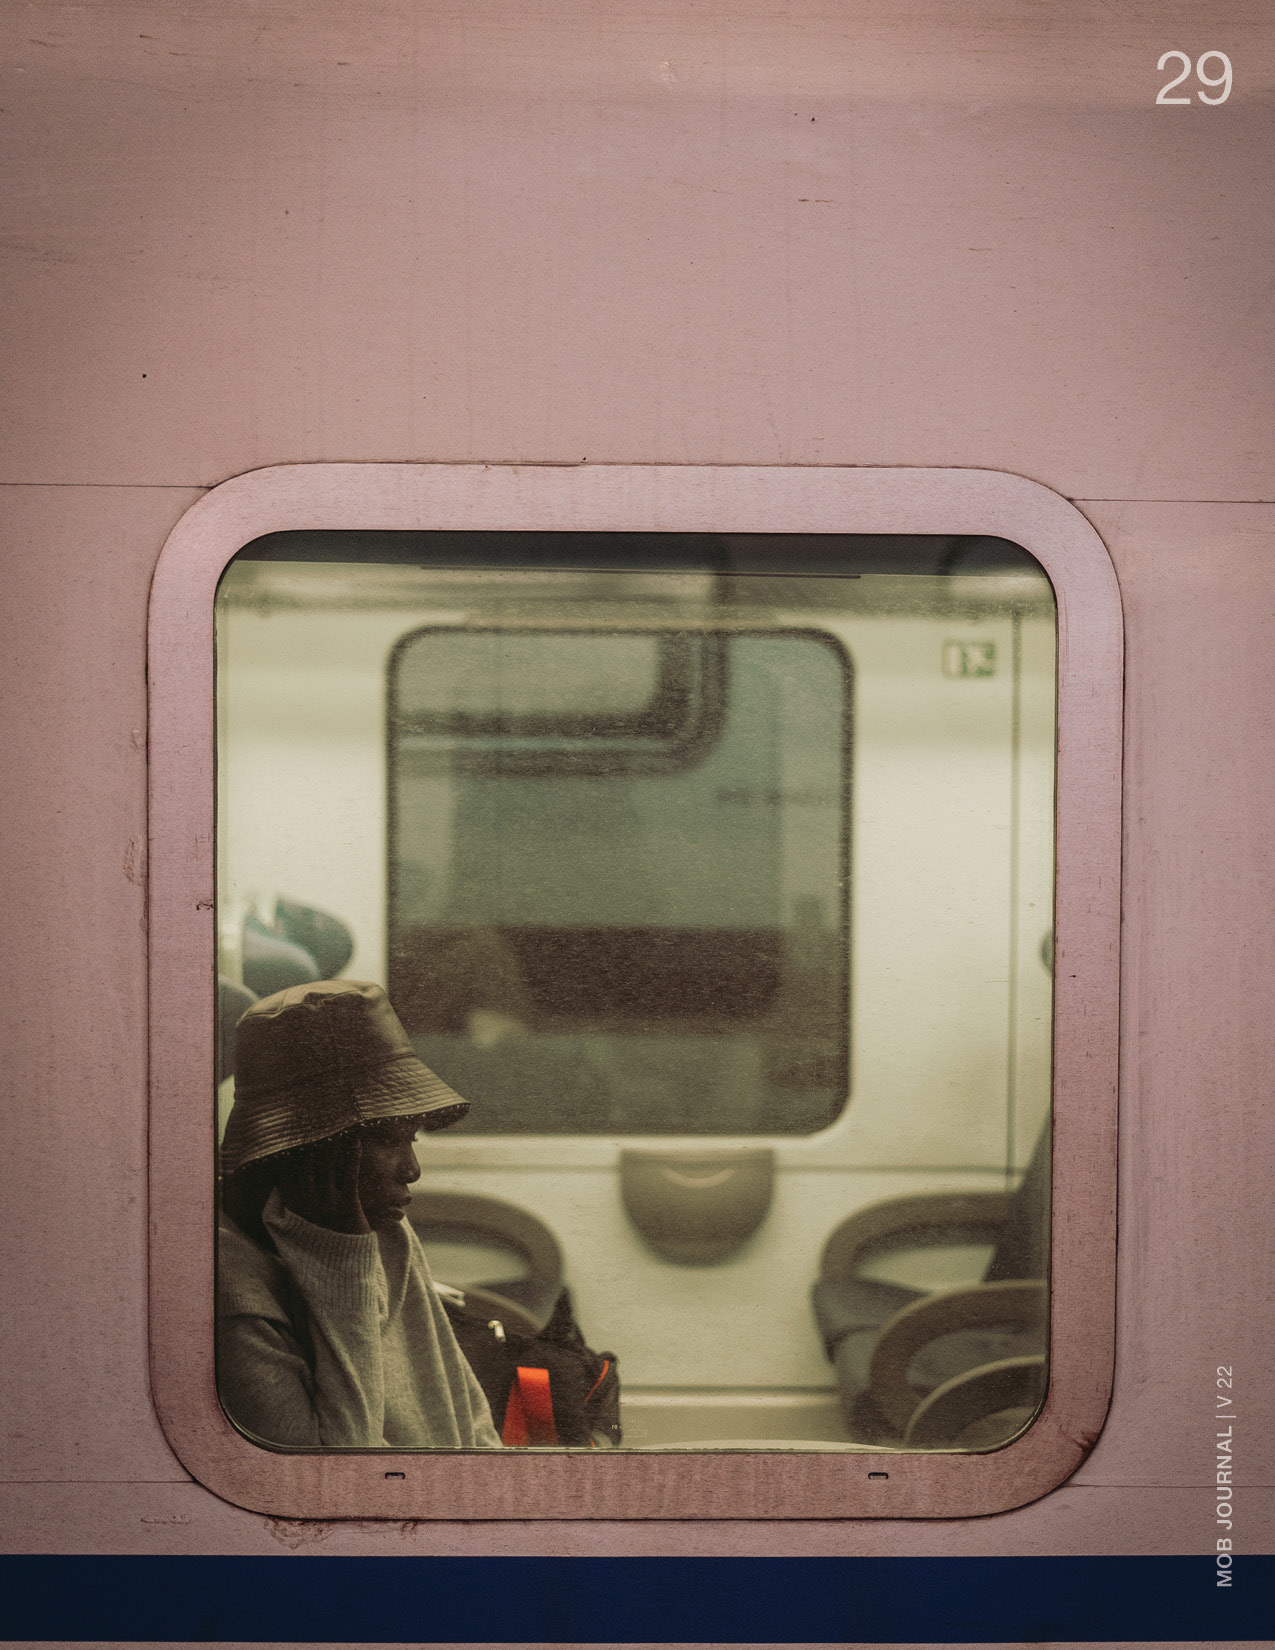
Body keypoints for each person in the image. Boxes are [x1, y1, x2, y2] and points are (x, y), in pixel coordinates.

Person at [216, 979, 502, 1449]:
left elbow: (463, 1413)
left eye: (411, 1139)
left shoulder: (385, 1229)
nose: (412, 1170)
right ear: (312, 1148)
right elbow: (342, 1467)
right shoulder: (235, 1296)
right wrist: (339, 1263)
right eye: (388, 1140)